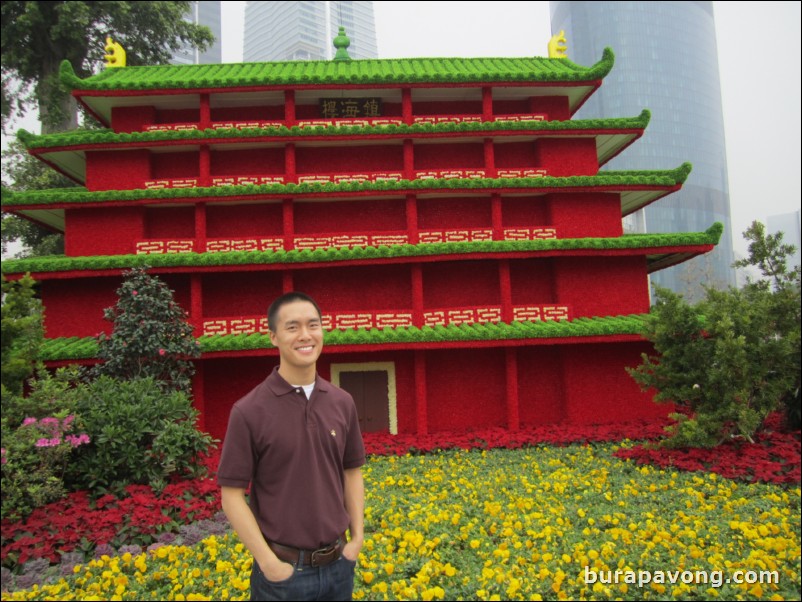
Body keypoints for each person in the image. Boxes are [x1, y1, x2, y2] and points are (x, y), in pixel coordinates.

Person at [217, 292, 365, 601]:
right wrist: (269, 563)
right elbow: (231, 496)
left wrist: (357, 540)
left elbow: (352, 473)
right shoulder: (249, 411)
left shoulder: (342, 402)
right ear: (273, 336)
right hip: (283, 575)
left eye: (313, 325)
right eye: (292, 327)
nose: (305, 335)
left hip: (339, 567)